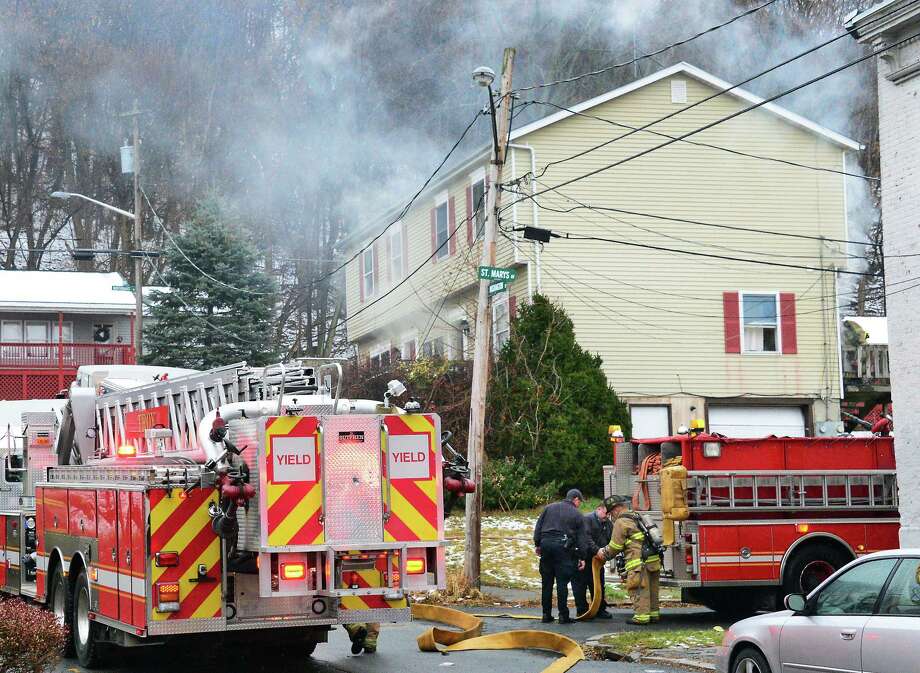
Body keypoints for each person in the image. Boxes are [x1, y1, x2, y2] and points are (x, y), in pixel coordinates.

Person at [596, 495, 661, 625]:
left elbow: (615, 546)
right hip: (653, 560)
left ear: (615, 510)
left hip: (638, 562)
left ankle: (641, 617)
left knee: (639, 588)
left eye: (610, 514)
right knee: (652, 589)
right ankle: (653, 615)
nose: (611, 517)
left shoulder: (621, 522)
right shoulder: (637, 516)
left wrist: (603, 554)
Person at [533, 488, 588, 624]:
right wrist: (582, 556)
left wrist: (538, 544)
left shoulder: (549, 508)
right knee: (562, 583)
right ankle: (563, 615)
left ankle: (546, 615)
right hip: (563, 548)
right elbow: (582, 538)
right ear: (575, 499)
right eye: (579, 501)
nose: (579, 504)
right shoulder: (577, 514)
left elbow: (538, 527)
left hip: (546, 545)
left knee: (547, 583)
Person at [573, 498, 614, 619]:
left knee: (599, 584)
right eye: (606, 513)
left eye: (609, 514)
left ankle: (600, 609)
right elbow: (586, 539)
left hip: (598, 560)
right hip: (584, 557)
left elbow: (611, 539)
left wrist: (607, 552)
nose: (607, 516)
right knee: (580, 585)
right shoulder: (587, 519)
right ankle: (582, 610)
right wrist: (597, 550)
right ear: (598, 509)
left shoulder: (608, 524)